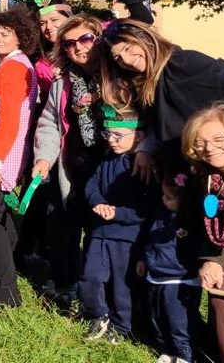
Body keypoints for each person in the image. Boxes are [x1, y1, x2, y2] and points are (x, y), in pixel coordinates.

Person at [31, 13, 109, 306]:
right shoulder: (62, 83)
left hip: (110, 167)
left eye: (85, 38)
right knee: (68, 229)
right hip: (73, 166)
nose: (78, 47)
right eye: (69, 43)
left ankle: (108, 299)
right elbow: (51, 122)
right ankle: (71, 286)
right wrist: (44, 158)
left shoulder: (114, 75)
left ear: (98, 37)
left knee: (103, 235)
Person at [97, 18, 224, 177]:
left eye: (128, 48)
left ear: (145, 39)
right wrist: (145, 149)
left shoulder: (184, 62)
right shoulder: (142, 83)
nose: (126, 60)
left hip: (213, 157)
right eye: (117, 57)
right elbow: (159, 125)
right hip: (185, 169)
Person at [0, 8, 38, 307]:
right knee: (0, 220)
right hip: (4, 152)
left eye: (5, 34)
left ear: (20, 36)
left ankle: (4, 294)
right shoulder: (13, 65)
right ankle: (2, 284)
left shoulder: (14, 68)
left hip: (2, 154)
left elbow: (10, 118)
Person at [80, 105, 150, 342]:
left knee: (123, 285)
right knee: (90, 276)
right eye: (108, 134)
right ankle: (98, 315)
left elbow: (145, 208)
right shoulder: (106, 159)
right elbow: (91, 185)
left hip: (126, 236)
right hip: (100, 231)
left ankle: (122, 325)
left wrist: (118, 213)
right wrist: (98, 202)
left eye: (118, 136)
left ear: (138, 136)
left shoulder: (143, 168)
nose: (111, 140)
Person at [138, 172, 203, 363]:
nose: (163, 200)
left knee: (179, 320)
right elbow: (149, 239)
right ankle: (166, 349)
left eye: (169, 197)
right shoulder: (160, 215)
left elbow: (196, 250)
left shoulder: (192, 223)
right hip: (156, 276)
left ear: (184, 201)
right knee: (157, 317)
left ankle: (186, 354)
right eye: (163, 195)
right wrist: (143, 258)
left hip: (180, 280)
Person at [182, 103, 224, 360]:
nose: (209, 148)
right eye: (201, 143)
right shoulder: (209, 178)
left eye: (220, 139)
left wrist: (215, 260)